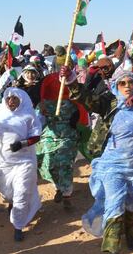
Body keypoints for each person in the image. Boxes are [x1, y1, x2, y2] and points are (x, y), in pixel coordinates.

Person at [61, 66, 133, 253]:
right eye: (122, 83)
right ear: (115, 86)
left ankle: (130, 233)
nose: (127, 86)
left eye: (130, 83)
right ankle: (110, 248)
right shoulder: (107, 103)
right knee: (114, 203)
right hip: (112, 165)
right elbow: (86, 98)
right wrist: (71, 80)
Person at [0, 88, 42, 241]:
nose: (11, 101)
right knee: (8, 192)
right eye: (9, 98)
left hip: (24, 161)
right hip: (3, 162)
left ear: (21, 100)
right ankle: (11, 202)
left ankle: (18, 225)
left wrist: (22, 144)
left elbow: (35, 135)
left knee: (21, 191)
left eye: (15, 98)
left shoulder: (28, 114)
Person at [36, 73, 79, 208]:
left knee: (65, 165)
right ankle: (58, 187)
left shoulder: (74, 103)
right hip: (48, 137)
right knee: (46, 164)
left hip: (67, 137)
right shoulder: (43, 105)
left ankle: (67, 194)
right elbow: (37, 123)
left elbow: (82, 118)